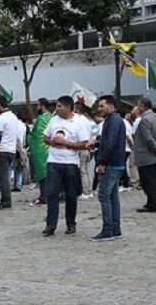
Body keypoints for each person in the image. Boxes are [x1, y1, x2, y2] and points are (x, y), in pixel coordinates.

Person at [40, 96, 91, 236]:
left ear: (68, 107)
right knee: (52, 194)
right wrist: (52, 142)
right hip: (54, 162)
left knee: (70, 195)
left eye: (59, 106)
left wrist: (65, 144)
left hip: (70, 163)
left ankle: (71, 223)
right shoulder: (54, 120)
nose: (57, 109)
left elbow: (83, 144)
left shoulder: (79, 122)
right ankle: (50, 225)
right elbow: (45, 137)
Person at [92, 94, 127, 241]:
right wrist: (96, 144)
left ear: (111, 106)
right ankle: (116, 228)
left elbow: (110, 142)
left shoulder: (112, 121)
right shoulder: (115, 120)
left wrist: (101, 162)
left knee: (104, 196)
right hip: (117, 163)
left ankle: (108, 229)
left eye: (102, 106)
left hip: (112, 164)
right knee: (113, 196)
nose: (99, 109)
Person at [133, 98, 156, 213]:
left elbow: (148, 138)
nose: (138, 108)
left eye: (139, 105)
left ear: (143, 106)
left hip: (147, 156)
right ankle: (153, 201)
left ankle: (152, 203)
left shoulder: (145, 120)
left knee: (148, 181)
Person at [0, 97, 19, 209]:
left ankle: (6, 200)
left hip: (2, 150)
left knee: (2, 177)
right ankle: (5, 199)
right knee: (5, 176)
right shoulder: (13, 117)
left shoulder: (0, 119)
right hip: (11, 149)